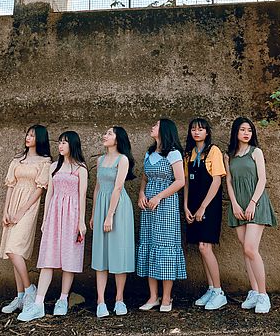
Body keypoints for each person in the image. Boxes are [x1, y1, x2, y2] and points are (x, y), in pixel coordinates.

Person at [17, 131, 88, 321]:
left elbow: (82, 198)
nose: (61, 146)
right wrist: (46, 218)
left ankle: (63, 299)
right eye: (59, 142)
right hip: (55, 215)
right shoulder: (54, 167)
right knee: (47, 258)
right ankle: (38, 303)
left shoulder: (81, 169)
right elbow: (48, 195)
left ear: (73, 145)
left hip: (72, 216)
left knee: (69, 259)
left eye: (64, 143)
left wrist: (81, 222)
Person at [224, 117, 277, 314]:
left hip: (256, 203)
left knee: (250, 248)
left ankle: (263, 295)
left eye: (249, 130)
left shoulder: (256, 152)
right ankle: (254, 292)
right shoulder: (229, 155)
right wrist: (235, 205)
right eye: (242, 130)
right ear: (235, 132)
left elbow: (262, 179)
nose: (246, 133)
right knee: (245, 249)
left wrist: (252, 203)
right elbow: (228, 182)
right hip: (238, 205)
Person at [0, 125, 52, 314]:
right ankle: (20, 297)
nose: (28, 137)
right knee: (15, 254)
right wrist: (6, 211)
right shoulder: (17, 160)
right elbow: (10, 187)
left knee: (14, 249)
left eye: (32, 135)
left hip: (28, 207)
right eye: (27, 134)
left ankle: (30, 289)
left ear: (40, 139)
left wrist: (21, 211)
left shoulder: (45, 162)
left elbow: (39, 190)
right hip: (13, 204)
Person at [137, 118, 186, 313]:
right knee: (150, 244)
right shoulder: (149, 153)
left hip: (166, 205)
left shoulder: (173, 153)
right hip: (148, 205)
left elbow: (180, 181)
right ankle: (153, 296)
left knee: (164, 246)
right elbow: (144, 177)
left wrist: (158, 196)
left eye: (156, 125)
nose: (152, 127)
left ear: (165, 130)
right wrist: (141, 193)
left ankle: (166, 298)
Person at [90, 126, 136, 318]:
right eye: (106, 132)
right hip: (101, 206)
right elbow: (97, 187)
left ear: (118, 139)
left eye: (110, 133)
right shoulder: (100, 160)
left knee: (119, 252)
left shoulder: (122, 159)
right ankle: (101, 301)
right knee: (100, 253)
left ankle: (119, 299)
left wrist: (110, 215)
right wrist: (94, 214)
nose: (105, 135)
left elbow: (118, 188)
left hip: (118, 208)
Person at [183, 117, 227, 310]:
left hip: (209, 205)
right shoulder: (189, 153)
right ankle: (210, 288)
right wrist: (185, 206)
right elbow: (186, 183)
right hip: (192, 205)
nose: (196, 132)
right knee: (201, 248)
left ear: (207, 132)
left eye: (200, 129)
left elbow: (217, 181)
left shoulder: (213, 151)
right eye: (193, 129)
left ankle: (219, 291)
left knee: (205, 247)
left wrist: (202, 207)